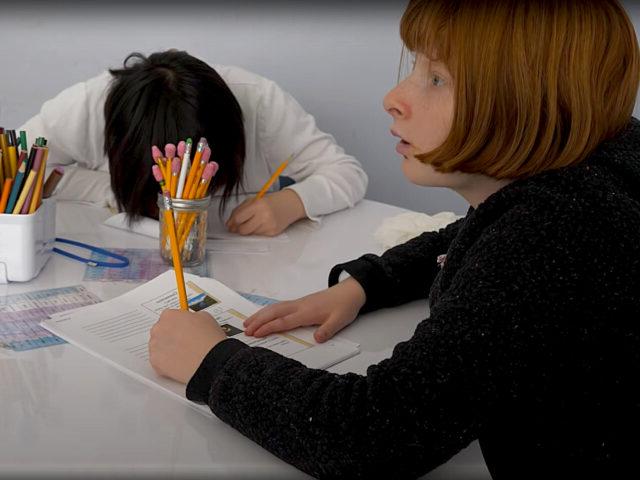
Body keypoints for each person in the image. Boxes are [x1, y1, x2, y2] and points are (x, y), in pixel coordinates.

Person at [148, 0, 640, 478]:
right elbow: (476, 230)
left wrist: (213, 365)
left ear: (526, 100)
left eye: (437, 78)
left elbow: (369, 436)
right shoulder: (602, 162)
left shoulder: (554, 236)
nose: (394, 98)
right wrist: (365, 284)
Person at [20, 50, 367, 236]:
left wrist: (291, 203)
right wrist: (110, 190)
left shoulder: (260, 102)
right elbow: (21, 168)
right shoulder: (87, 106)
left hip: (245, 255)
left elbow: (346, 172)